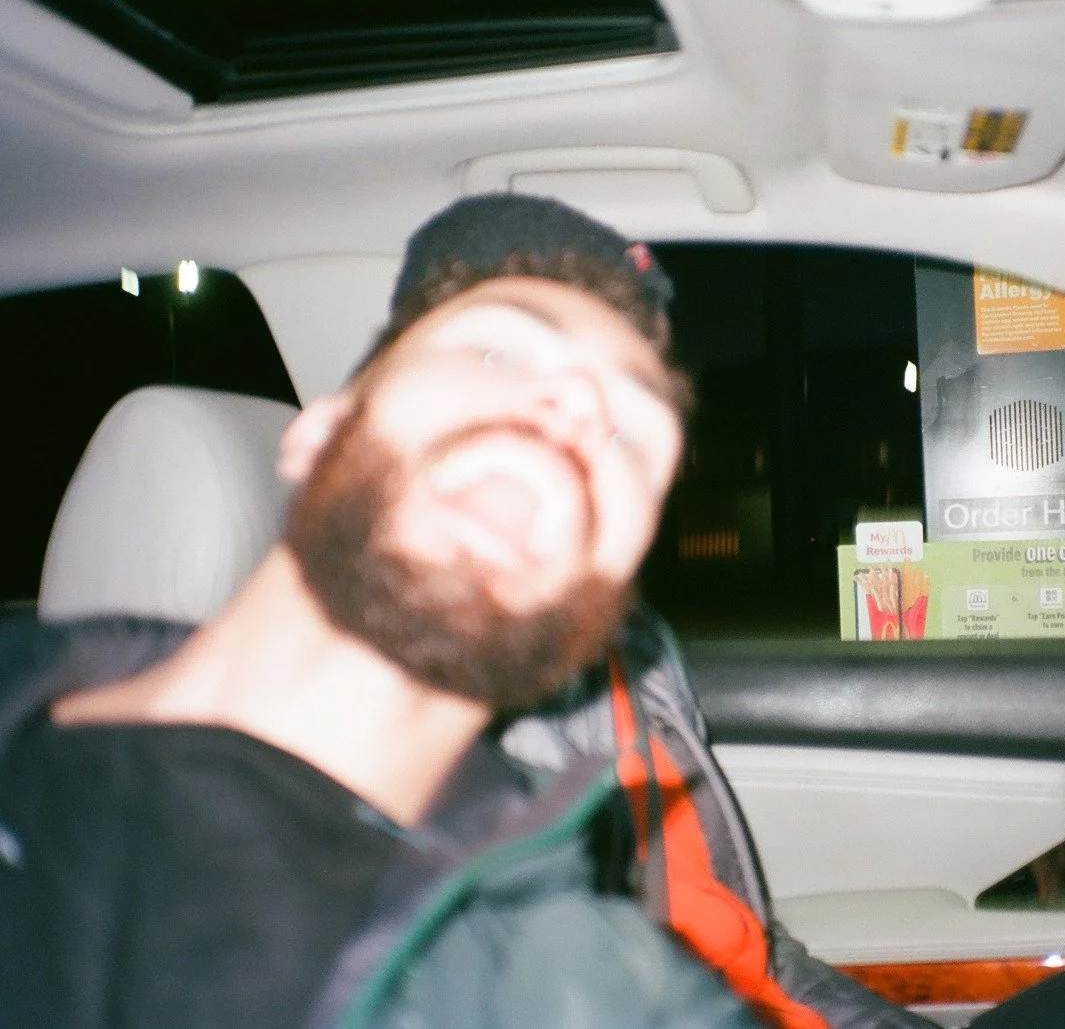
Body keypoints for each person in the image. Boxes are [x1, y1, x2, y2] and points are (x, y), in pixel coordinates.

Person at [377, 194, 1065, 1029]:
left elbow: (753, 953)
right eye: (511, 379)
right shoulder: (404, 748)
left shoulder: (625, 645)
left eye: (625, 410)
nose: (582, 450)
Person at [0, 198, 760, 1028]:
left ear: (615, 581)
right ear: (319, 432)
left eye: (632, 436)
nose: (579, 411)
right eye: (500, 351)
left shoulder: (574, 982)